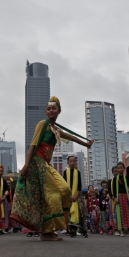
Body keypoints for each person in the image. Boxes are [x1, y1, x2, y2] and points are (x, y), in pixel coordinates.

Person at [11, 96, 93, 241]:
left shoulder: (56, 129)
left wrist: (87, 144)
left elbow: (72, 137)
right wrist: (26, 165)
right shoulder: (43, 124)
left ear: (59, 111)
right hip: (38, 163)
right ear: (46, 111)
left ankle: (53, 228)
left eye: (54, 108)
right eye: (48, 108)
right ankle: (46, 232)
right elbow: (33, 145)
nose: (51, 110)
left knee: (65, 190)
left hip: (46, 165)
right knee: (52, 194)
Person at [63, 154, 87, 238]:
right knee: (69, 212)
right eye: (71, 161)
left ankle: (79, 229)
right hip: (68, 196)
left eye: (74, 161)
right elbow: (64, 185)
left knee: (79, 211)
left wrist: (76, 196)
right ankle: (70, 229)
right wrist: (69, 196)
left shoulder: (78, 172)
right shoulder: (65, 172)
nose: (73, 163)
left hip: (77, 196)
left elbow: (79, 186)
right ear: (68, 163)